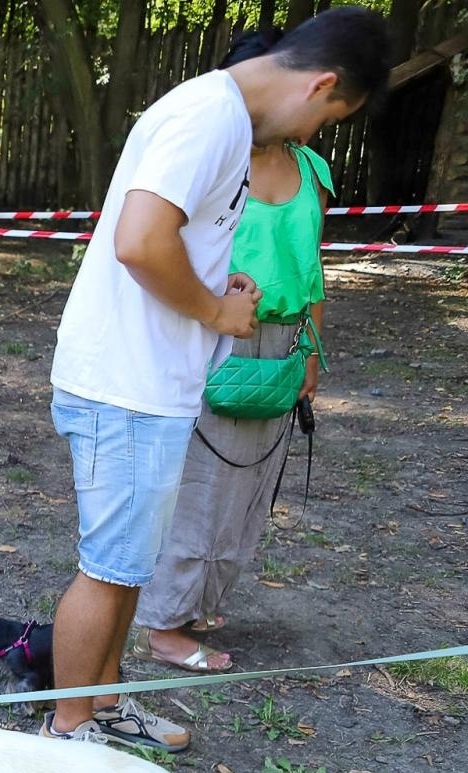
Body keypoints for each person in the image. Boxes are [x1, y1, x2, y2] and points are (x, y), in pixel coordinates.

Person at [43, 7, 389, 749]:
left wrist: (208, 279)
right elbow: (139, 242)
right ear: (321, 83)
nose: (312, 135)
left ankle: (102, 707)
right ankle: (68, 731)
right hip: (123, 383)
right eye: (329, 116)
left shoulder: (225, 120)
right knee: (107, 569)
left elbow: (166, 236)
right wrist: (215, 311)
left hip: (153, 382)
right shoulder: (211, 116)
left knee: (130, 566)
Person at [132, 29, 334, 675]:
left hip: (283, 340)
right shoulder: (211, 155)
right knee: (200, 485)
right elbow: (162, 248)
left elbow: (313, 268)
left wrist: (312, 349)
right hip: (213, 333)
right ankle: (163, 623)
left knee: (248, 491)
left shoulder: (311, 169)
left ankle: (199, 602)